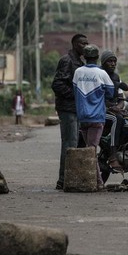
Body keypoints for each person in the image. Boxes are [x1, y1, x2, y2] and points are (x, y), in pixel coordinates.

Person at [73, 45, 115, 190]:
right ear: (97, 58)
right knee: (92, 150)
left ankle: (94, 180)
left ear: (84, 57)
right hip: (97, 117)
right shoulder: (101, 73)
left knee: (88, 149)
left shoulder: (78, 72)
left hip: (82, 117)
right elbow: (110, 93)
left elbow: (75, 91)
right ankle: (98, 182)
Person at [52, 33, 88, 190]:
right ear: (74, 44)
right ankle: (63, 179)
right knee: (69, 143)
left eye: (86, 44)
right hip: (68, 109)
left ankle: (69, 178)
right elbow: (57, 84)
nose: (85, 46)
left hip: (76, 109)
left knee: (75, 143)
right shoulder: (67, 61)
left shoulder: (80, 62)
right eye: (82, 44)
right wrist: (76, 96)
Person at [99, 50, 126, 172]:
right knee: (117, 119)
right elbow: (97, 97)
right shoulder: (98, 74)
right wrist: (111, 108)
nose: (113, 63)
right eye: (110, 61)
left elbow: (121, 99)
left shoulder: (116, 77)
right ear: (103, 62)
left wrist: (119, 107)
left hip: (113, 109)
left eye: (114, 61)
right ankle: (113, 155)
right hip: (101, 110)